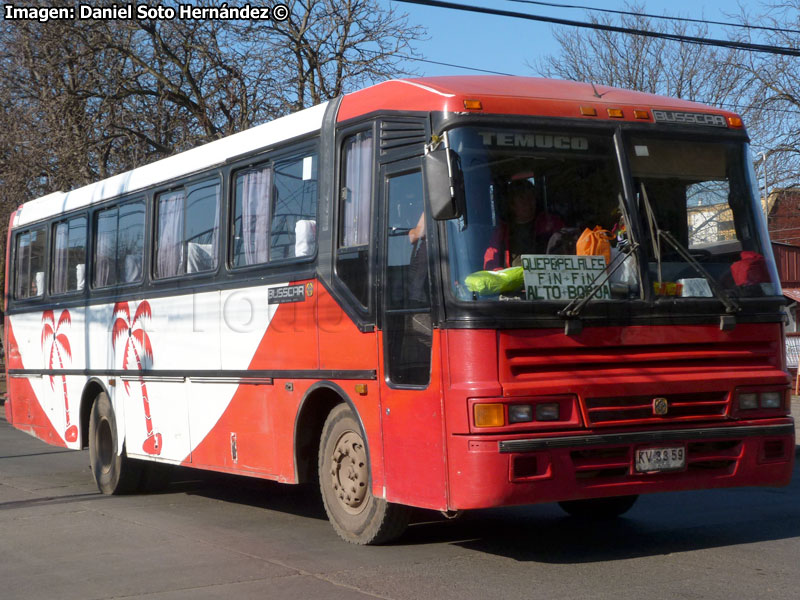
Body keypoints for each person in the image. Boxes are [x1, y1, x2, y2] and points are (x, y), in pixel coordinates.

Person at [483, 179, 563, 270]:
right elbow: (491, 262)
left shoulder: (551, 223)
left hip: (546, 278)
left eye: (531, 197)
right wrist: (501, 275)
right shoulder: (502, 232)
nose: (528, 202)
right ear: (512, 204)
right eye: (522, 198)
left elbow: (566, 254)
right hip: (514, 282)